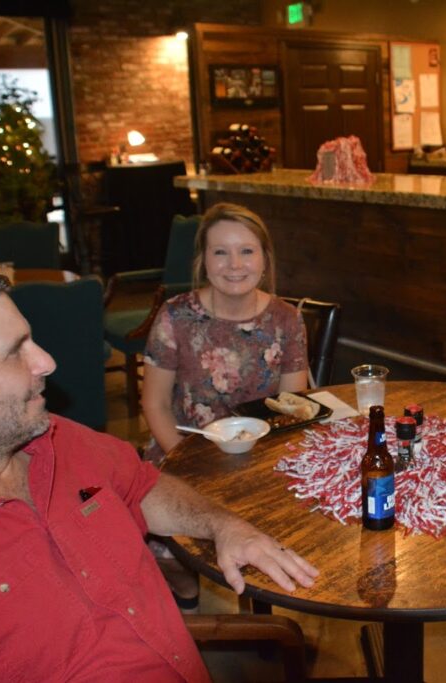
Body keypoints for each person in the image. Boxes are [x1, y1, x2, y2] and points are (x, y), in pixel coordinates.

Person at [0, 268, 318, 680]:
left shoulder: (56, 437)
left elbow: (143, 486)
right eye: (15, 351)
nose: (46, 362)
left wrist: (222, 525)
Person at [141, 202, 309, 610]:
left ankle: (264, 606)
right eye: (220, 252)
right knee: (166, 551)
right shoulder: (176, 316)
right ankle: (183, 578)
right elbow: (156, 404)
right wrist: (186, 461)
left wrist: (256, 469)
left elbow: (292, 408)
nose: (234, 264)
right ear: (203, 260)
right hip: (182, 450)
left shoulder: (286, 319)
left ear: (265, 260)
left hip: (263, 459)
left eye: (247, 251)